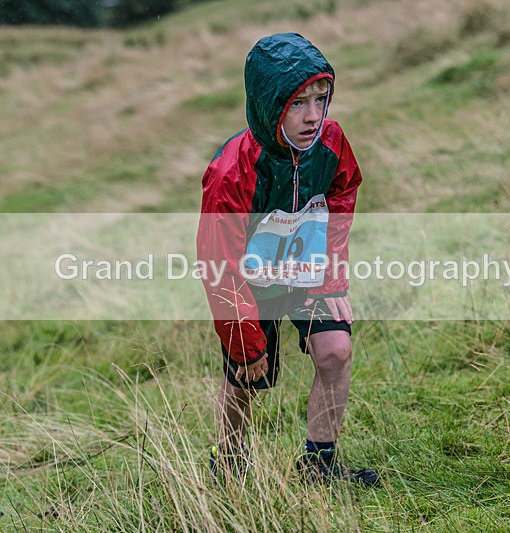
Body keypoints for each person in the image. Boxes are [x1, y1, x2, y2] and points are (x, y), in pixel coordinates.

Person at [196, 32, 377, 485]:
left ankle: (319, 467)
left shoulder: (331, 141)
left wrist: (331, 276)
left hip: (308, 273)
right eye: (298, 103)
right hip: (248, 282)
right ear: (268, 104)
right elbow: (217, 262)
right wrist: (245, 340)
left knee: (336, 352)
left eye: (321, 99)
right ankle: (231, 466)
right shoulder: (230, 173)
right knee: (247, 376)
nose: (314, 116)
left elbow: (343, 190)